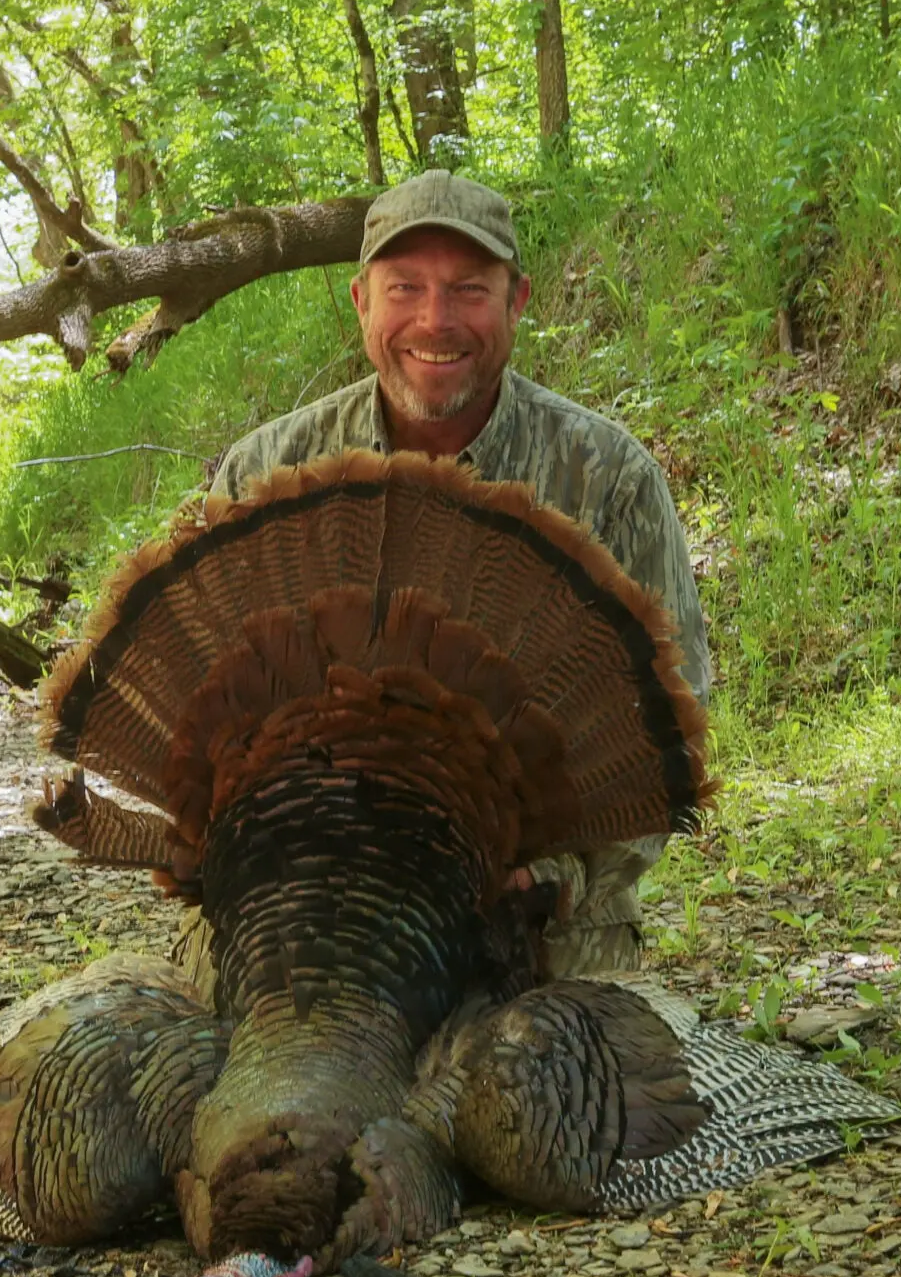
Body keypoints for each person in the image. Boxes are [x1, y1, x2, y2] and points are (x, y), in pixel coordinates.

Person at [200, 170, 712, 976]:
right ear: (361, 301)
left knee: (551, 1099)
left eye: (470, 290)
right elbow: (210, 717)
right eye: (405, 287)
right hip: (303, 908)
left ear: (517, 302)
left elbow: (666, 733)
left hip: (537, 919)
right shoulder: (269, 469)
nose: (436, 320)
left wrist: (550, 874)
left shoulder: (607, 478)